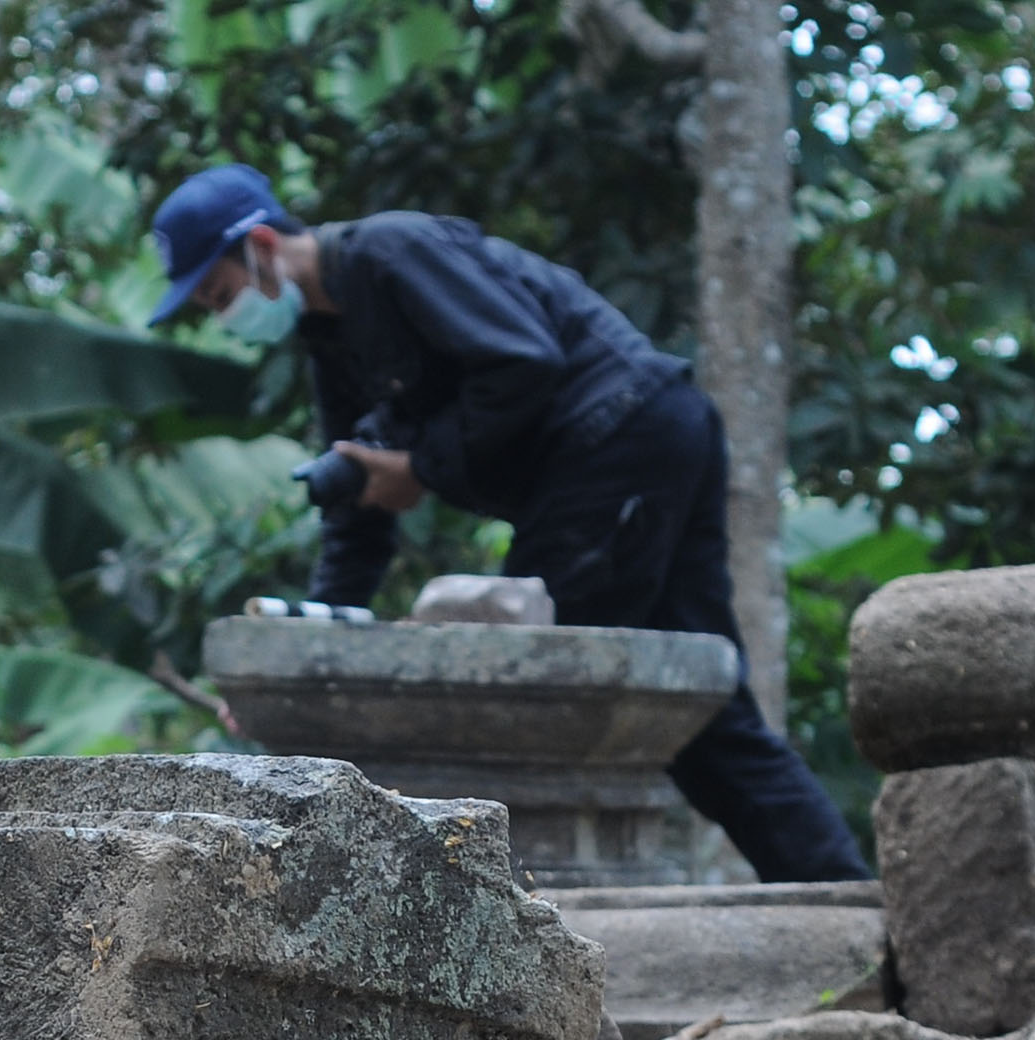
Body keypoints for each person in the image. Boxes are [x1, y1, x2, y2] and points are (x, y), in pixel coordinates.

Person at [144, 164, 866, 884]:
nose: (225, 317)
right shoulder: (330, 342)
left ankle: (550, 929)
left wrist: (421, 468)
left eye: (221, 294)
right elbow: (358, 502)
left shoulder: (390, 251)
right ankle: (848, 914)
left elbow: (522, 360)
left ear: (263, 245)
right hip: (638, 446)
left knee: (521, 696)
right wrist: (310, 647)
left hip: (620, 437)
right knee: (708, 725)